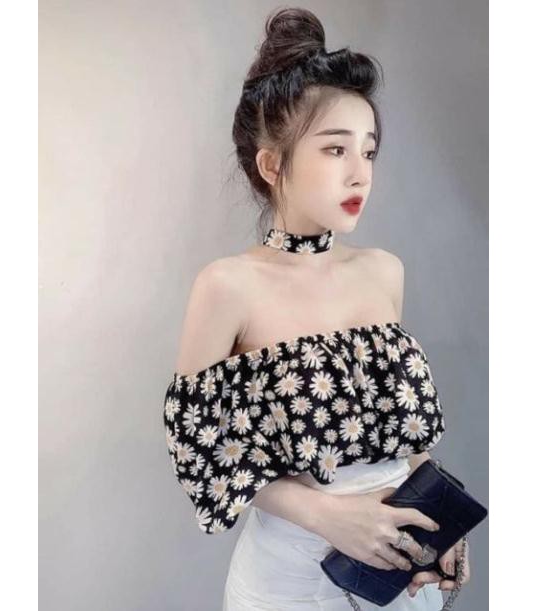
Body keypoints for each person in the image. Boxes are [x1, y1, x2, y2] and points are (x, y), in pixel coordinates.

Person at [162, 7, 471, 610]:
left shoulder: (384, 272)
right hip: (291, 580)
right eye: (335, 150)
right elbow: (196, 443)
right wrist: (330, 516)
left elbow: (401, 430)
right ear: (272, 164)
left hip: (400, 572)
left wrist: (442, 522)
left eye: (369, 152)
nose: (360, 174)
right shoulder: (228, 286)